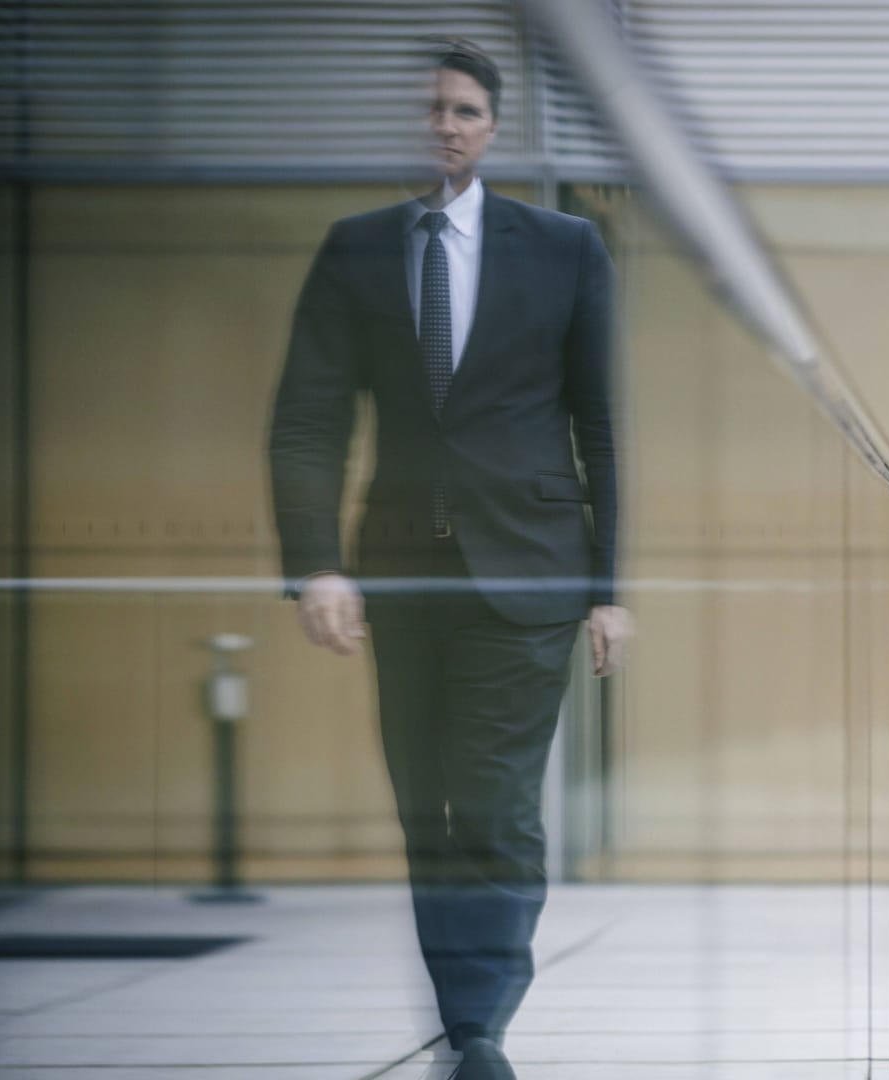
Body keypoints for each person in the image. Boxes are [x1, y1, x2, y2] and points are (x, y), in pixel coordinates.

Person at [268, 37, 631, 1080]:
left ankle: (480, 1026)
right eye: (431, 109)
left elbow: (601, 426)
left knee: (496, 801)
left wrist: (611, 590)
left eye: (465, 109)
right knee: (425, 801)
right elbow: (306, 421)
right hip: (402, 575)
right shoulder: (357, 249)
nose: (446, 124)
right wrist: (318, 564)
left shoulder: (564, 247)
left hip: (529, 569)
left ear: (491, 125)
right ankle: (465, 1014)